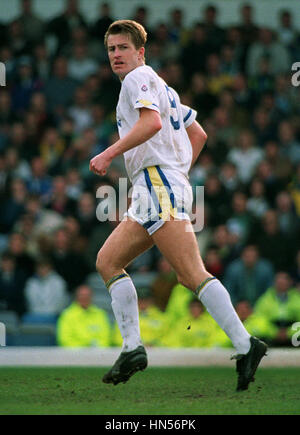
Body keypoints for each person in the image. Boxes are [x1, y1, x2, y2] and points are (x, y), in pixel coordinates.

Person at [89, 20, 267, 390]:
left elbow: (151, 124)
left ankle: (246, 344)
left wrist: (109, 153)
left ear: (140, 52)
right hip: (160, 185)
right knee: (108, 261)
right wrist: (178, 173)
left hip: (158, 183)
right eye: (111, 49)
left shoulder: (136, 80)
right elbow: (197, 132)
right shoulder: (162, 85)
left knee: (191, 274)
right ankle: (132, 348)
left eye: (123, 48)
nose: (116, 55)